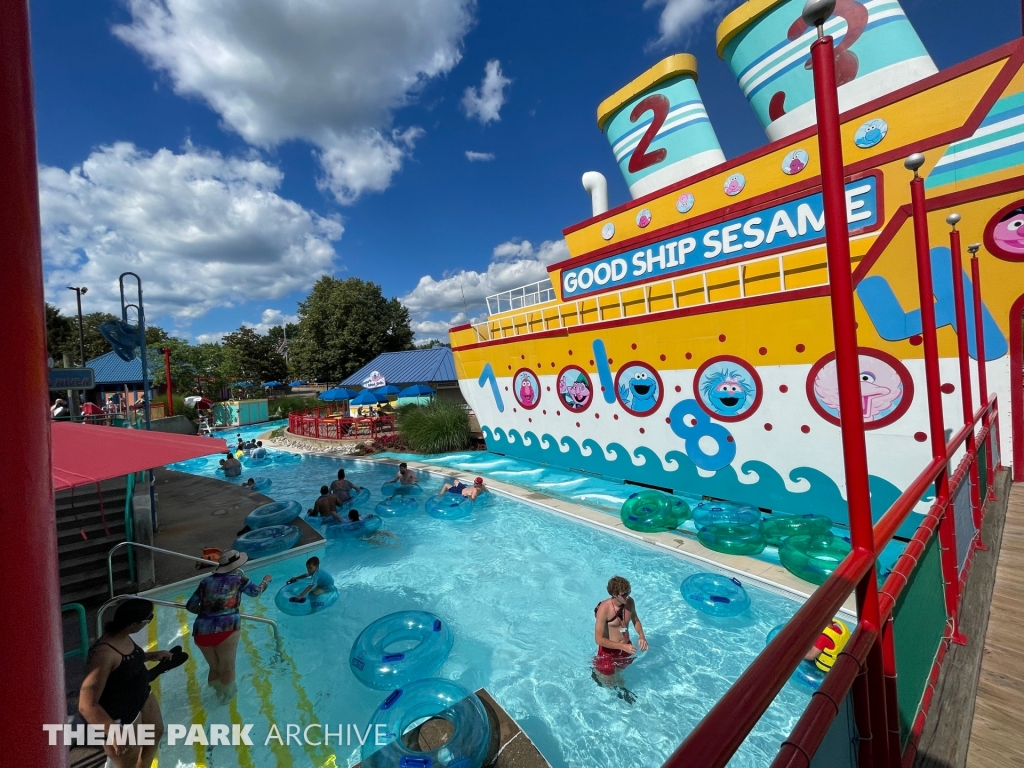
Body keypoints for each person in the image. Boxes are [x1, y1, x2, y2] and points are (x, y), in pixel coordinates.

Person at [78, 599, 187, 768]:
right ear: (134, 624)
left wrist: (153, 655)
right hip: (120, 712)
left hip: (141, 694)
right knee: (128, 759)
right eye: (149, 618)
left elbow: (129, 659)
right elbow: (86, 705)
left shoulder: (123, 635)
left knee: (155, 733)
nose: (150, 620)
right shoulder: (103, 654)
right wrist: (113, 732)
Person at [185, 550, 271, 704]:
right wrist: (266, 581)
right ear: (236, 566)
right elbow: (256, 592)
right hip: (227, 629)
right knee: (227, 668)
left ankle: (214, 694)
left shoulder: (205, 582)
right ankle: (226, 700)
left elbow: (190, 606)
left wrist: (208, 613)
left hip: (201, 631)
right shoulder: (239, 580)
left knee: (215, 668)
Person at [592, 575, 647, 704]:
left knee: (620, 672)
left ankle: (621, 688)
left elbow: (636, 620)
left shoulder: (629, 602)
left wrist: (642, 636)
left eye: (629, 592)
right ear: (614, 594)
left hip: (626, 647)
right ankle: (597, 673)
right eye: (624, 594)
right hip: (608, 651)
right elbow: (598, 639)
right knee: (607, 681)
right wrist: (622, 646)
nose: (627, 596)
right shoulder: (604, 609)